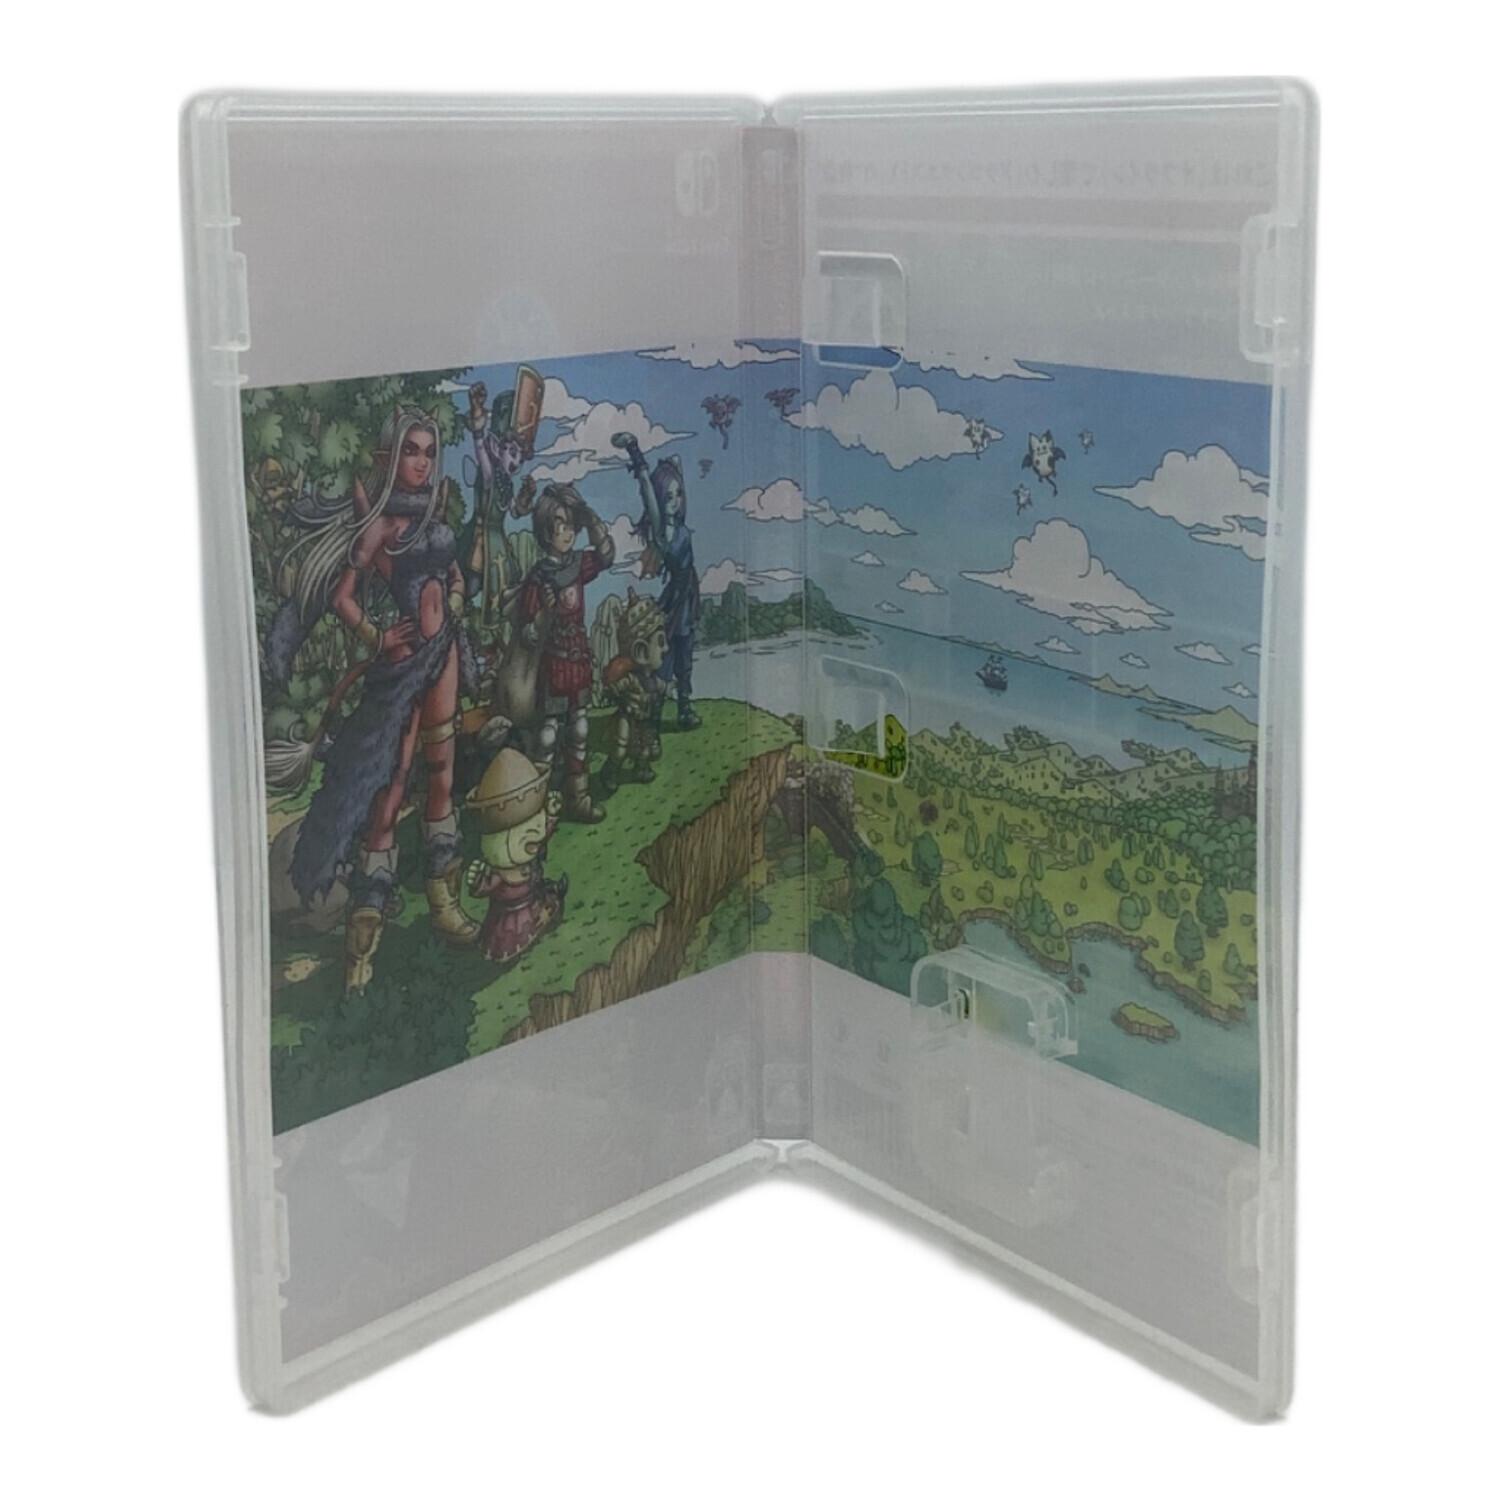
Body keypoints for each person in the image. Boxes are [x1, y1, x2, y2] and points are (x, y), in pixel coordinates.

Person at [267, 405, 480, 994]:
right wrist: (376, 637)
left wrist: (455, 600)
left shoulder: (433, 515)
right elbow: (343, 597)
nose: (422, 462)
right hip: (404, 665)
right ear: (390, 457)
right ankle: (362, 948)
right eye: (411, 451)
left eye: (429, 452)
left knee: (442, 774)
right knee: (391, 787)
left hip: (446, 655)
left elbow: (454, 574)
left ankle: (446, 908)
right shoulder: (381, 526)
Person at [493, 483, 615, 822]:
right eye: (561, 524)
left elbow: (606, 555)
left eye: (571, 524)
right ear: (546, 530)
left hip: (578, 662)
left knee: (579, 730)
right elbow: (528, 634)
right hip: (553, 665)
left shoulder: (577, 564)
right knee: (547, 736)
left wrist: (591, 517)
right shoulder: (539, 578)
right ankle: (539, 808)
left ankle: (579, 799)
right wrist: (543, 614)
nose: (569, 532)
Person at [612, 431, 701, 729]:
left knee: (685, 653)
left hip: (687, 594)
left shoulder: (681, 524)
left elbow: (676, 479)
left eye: (678, 494)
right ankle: (655, 708)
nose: (674, 501)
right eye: (669, 496)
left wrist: (674, 468)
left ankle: (685, 708)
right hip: (676, 596)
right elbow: (647, 490)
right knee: (667, 652)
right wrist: (635, 452)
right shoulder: (662, 531)